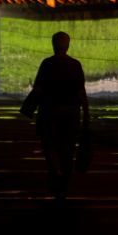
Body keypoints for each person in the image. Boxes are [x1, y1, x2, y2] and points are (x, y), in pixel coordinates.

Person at [18, 31, 89, 200]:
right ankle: (64, 179)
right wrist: (86, 113)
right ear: (68, 45)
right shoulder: (75, 65)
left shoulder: (47, 64)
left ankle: (54, 170)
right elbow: (81, 91)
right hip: (71, 113)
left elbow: (39, 88)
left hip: (49, 111)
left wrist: (29, 107)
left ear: (53, 45)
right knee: (68, 148)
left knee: (49, 144)